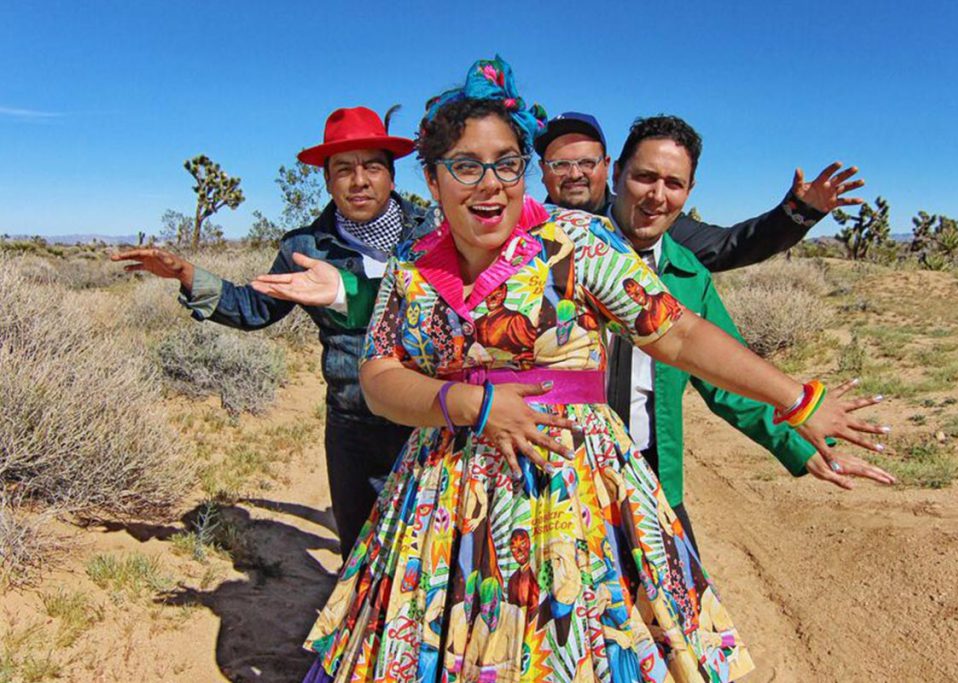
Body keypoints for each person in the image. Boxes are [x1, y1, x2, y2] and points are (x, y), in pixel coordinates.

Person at [254, 56, 887, 682]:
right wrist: (470, 406)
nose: (490, 183)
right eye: (467, 166)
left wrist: (798, 398)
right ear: (431, 176)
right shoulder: (411, 263)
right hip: (442, 501)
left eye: (506, 164)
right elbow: (380, 378)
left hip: (570, 490)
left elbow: (679, 334)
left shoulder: (578, 242)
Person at [112, 106, 430, 556]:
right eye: (343, 169)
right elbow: (253, 308)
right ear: (327, 181)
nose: (359, 180)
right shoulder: (304, 247)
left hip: (431, 416)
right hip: (353, 423)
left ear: (392, 177)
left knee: (431, 554)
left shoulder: (435, 232)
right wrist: (186, 274)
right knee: (360, 555)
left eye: (371, 166)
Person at [600, 115, 895, 554]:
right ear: (617, 173)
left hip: (653, 475)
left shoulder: (687, 276)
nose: (657, 196)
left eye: (674, 183)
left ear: (690, 192)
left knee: (685, 616)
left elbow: (730, 383)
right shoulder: (561, 252)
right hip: (563, 476)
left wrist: (801, 445)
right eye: (644, 177)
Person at [534, 110, 865, 272]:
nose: (574, 173)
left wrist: (798, 213)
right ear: (542, 171)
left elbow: (731, 245)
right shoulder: (521, 235)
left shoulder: (648, 224)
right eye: (560, 164)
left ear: (609, 167)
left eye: (586, 162)